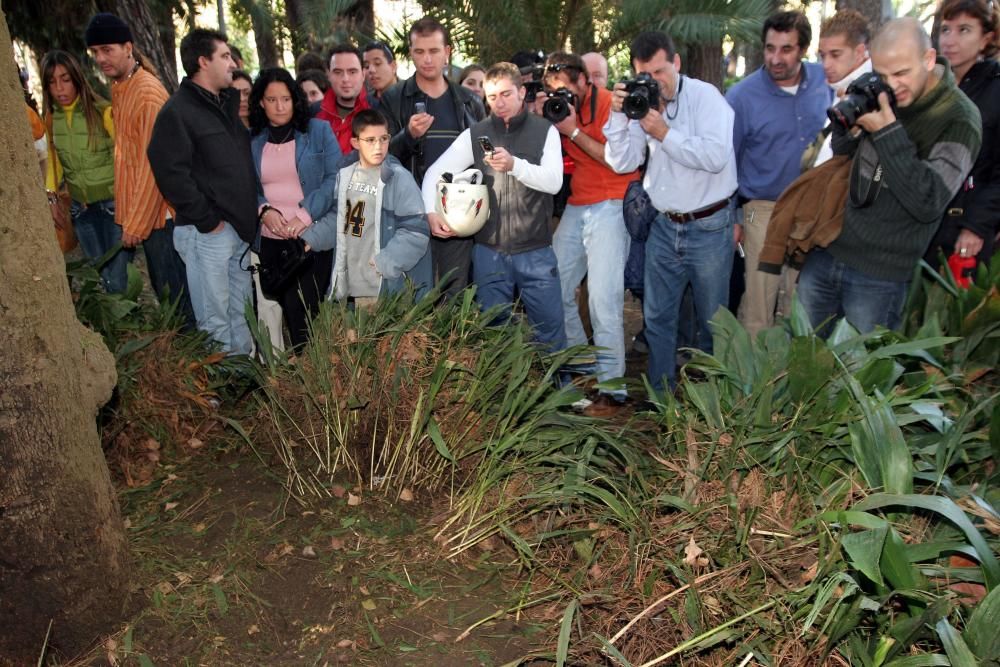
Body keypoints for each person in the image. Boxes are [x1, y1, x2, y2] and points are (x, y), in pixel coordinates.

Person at [797, 18, 982, 333]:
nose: (891, 85)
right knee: (801, 360)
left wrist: (886, 131)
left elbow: (928, 200)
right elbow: (843, 151)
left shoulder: (960, 119)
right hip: (829, 248)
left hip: (881, 273)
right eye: (882, 74)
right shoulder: (880, 85)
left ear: (928, 59)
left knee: (862, 374)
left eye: (901, 73)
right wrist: (852, 126)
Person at [605, 31, 738, 393]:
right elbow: (622, 162)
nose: (654, 81)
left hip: (709, 225)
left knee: (714, 322)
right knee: (658, 317)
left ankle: (715, 402)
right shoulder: (641, 103)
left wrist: (663, 132)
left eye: (660, 72)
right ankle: (661, 397)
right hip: (664, 225)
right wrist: (620, 119)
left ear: (676, 63)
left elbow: (715, 157)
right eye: (645, 74)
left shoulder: (705, 98)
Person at [422, 62, 566, 349]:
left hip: (535, 251)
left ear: (522, 92)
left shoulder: (545, 131)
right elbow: (433, 174)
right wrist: (430, 211)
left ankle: (560, 389)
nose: (498, 103)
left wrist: (515, 165)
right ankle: (501, 393)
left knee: (549, 331)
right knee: (492, 334)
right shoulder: (477, 134)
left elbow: (554, 183)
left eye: (505, 94)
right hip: (489, 251)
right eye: (491, 97)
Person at [148, 28, 259, 355]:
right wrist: (208, 220)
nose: (232, 64)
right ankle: (221, 390)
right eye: (224, 57)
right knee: (214, 320)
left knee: (241, 315)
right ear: (202, 61)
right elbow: (169, 171)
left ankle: (241, 381)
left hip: (237, 232)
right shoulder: (177, 112)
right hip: (206, 234)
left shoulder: (224, 106)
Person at [541, 52, 640, 416]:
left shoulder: (608, 106)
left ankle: (612, 390)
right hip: (578, 202)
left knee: (603, 298)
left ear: (585, 81)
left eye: (566, 89)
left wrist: (573, 131)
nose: (561, 96)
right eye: (553, 91)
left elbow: (617, 159)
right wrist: (543, 118)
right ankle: (585, 363)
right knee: (554, 284)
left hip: (613, 202)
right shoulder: (556, 109)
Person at [725, 10, 832, 337]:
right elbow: (728, 160)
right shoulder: (742, 97)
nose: (775, 58)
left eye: (786, 49)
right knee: (760, 299)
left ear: (803, 50)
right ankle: (750, 380)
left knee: (797, 300)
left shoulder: (825, 81)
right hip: (763, 208)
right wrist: (735, 218)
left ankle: (788, 376)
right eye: (770, 48)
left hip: (814, 209)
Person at [85, 13, 194, 321]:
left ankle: (195, 360)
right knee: (167, 293)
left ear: (128, 47)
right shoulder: (123, 87)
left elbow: (153, 168)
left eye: (108, 49)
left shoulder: (146, 93)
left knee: (175, 296)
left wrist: (135, 223)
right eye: (95, 52)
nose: (101, 58)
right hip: (147, 217)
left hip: (161, 218)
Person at [380, 17, 486, 296]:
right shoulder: (393, 98)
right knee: (413, 298)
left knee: (454, 296)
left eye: (434, 51)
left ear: (447, 52)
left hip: (458, 216)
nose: (427, 59)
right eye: (419, 52)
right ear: (411, 53)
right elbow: (379, 157)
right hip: (409, 214)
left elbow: (485, 156)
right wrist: (408, 136)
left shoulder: (469, 101)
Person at [249, 68, 342, 349]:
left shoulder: (318, 131)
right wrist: (264, 210)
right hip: (270, 241)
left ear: (295, 100)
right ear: (261, 103)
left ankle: (312, 377)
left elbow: (335, 177)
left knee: (304, 315)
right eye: (272, 99)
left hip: (309, 239)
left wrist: (305, 214)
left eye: (286, 99)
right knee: (281, 310)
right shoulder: (252, 141)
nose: (280, 106)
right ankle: (292, 379)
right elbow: (245, 186)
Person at [301, 109, 432, 302]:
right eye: (370, 140)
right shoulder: (345, 175)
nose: (378, 146)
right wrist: (311, 238)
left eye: (384, 139)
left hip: (383, 284)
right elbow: (340, 219)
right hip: (352, 284)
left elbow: (416, 230)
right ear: (355, 143)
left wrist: (383, 264)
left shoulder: (398, 178)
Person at [40, 50, 129, 293]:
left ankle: (125, 326)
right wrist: (51, 196)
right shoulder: (50, 118)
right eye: (52, 82)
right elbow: (53, 161)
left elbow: (126, 160)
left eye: (65, 79)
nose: (60, 88)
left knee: (119, 279)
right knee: (98, 274)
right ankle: (110, 328)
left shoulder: (103, 112)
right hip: (81, 209)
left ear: (77, 79)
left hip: (113, 206)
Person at [927, 0, 1000, 264]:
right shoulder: (929, 84)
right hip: (921, 226)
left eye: (964, 30)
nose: (950, 40)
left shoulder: (995, 88)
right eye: (946, 29)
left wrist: (976, 226)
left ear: (986, 39)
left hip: (965, 233)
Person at [811, 10, 872, 166]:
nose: (826, 65)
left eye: (835, 55)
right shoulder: (844, 86)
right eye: (823, 56)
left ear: (859, 52)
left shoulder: (869, 93)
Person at [317, 44, 375, 155]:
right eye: (338, 72)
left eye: (352, 72)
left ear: (363, 74)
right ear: (328, 75)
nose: (345, 79)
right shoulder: (315, 114)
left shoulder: (378, 110)